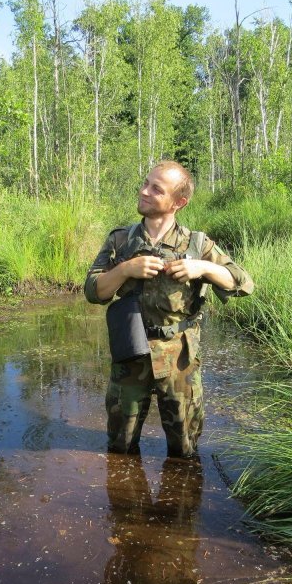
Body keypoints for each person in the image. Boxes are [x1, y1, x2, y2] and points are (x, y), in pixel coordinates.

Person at [84, 160, 253, 457]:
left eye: (156, 189)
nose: (144, 191)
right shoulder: (120, 241)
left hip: (180, 358)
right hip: (129, 353)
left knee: (184, 448)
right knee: (120, 446)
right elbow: (93, 291)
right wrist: (125, 269)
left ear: (179, 202)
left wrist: (202, 267)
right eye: (145, 183)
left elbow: (242, 283)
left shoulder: (196, 244)